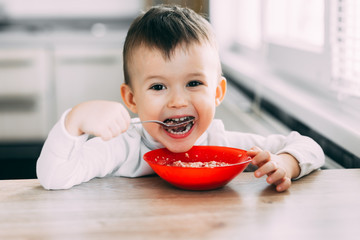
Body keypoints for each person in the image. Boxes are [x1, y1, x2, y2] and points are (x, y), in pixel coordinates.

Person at [36, 5, 324, 192]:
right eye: (158, 87)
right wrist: (74, 121)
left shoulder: (222, 145)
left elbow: (310, 146)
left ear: (217, 93)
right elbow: (53, 176)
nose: (177, 102)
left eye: (194, 83)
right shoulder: (124, 147)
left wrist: (286, 163)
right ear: (132, 100)